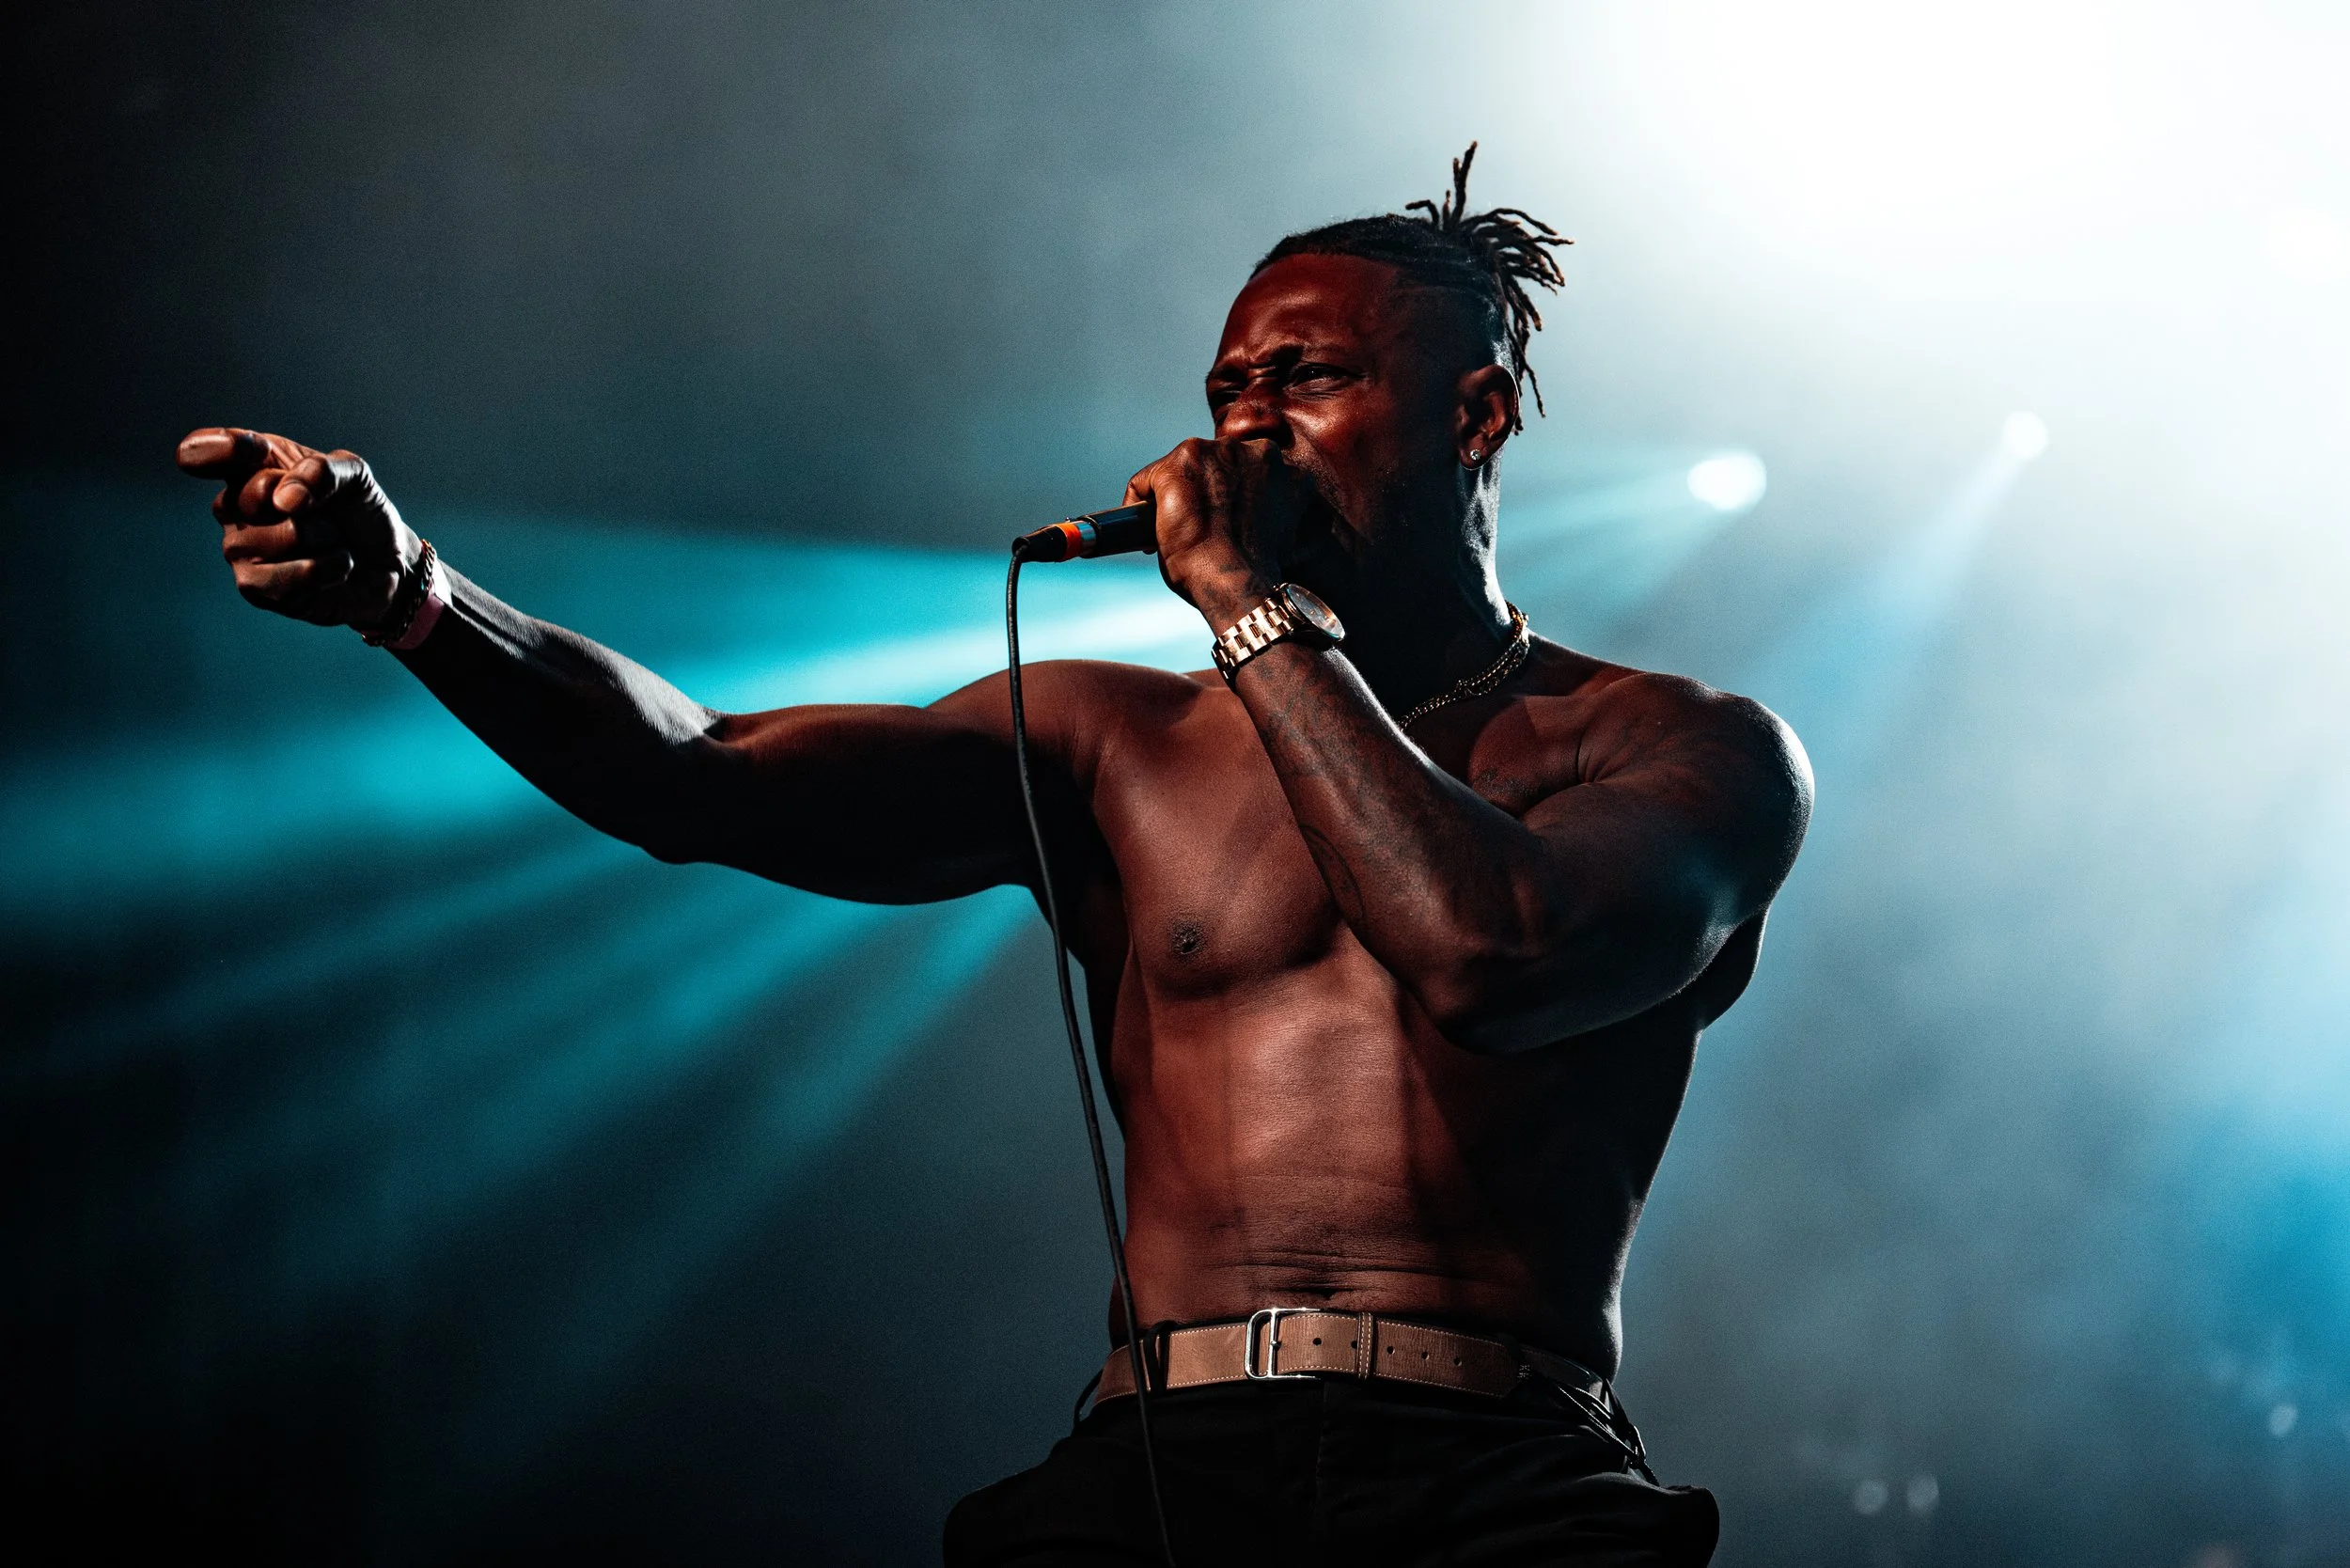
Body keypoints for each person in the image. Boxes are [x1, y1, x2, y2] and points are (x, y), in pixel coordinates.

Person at [179, 146, 1810, 1566]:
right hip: (1164, 1468)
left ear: (1476, 413)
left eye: (1307, 378)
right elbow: (701, 776)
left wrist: (1255, 615)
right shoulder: (1120, 741)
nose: (1248, 430)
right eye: (1226, 394)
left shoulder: (1680, 749)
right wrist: (418, 598)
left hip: (1506, 1482)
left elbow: (1492, 955)